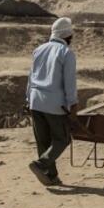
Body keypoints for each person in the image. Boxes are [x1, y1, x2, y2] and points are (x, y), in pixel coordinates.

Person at [27, 17, 77, 186]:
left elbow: (31, 78)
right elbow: (69, 83)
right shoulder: (66, 53)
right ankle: (40, 165)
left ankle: (51, 176)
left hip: (35, 101)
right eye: (71, 36)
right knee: (62, 139)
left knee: (43, 141)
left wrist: (28, 100)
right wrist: (73, 106)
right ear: (67, 36)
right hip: (54, 104)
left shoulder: (39, 50)